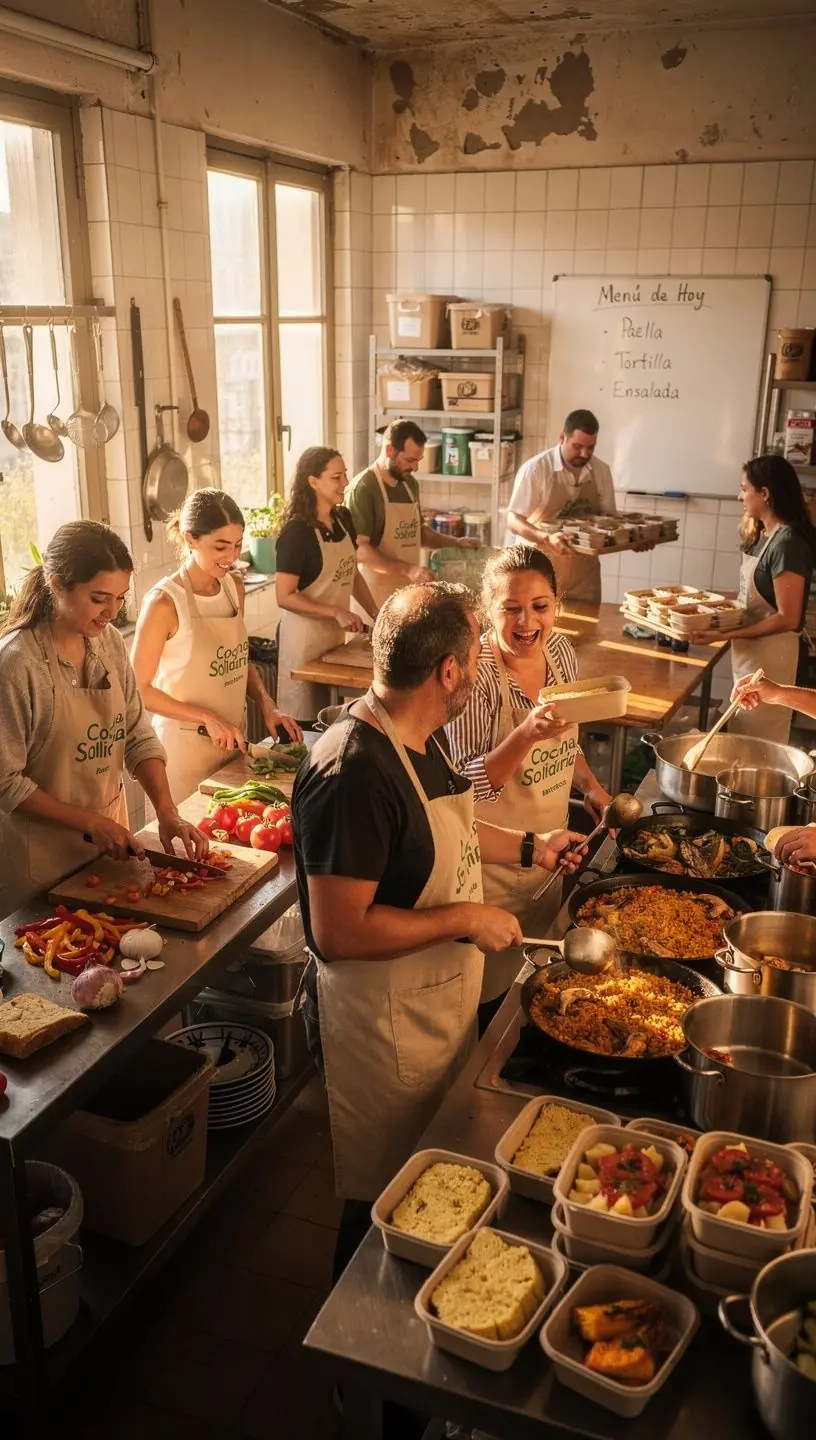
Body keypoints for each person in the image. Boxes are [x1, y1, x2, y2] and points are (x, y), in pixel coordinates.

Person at [292, 582, 585, 1266]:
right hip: (377, 1027)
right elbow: (337, 932)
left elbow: (439, 825)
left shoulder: (417, 738)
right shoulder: (353, 772)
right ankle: (351, 1356)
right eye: (475, 658)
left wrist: (527, 848)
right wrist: (466, 917)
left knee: (424, 1185)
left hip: (425, 1011)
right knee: (380, 1205)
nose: (482, 670)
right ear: (447, 672)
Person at [0, 522, 205, 920]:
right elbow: (5, 783)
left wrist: (166, 809)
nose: (112, 613)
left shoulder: (107, 642)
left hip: (105, 853)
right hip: (38, 866)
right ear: (59, 585)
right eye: (99, 599)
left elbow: (136, 734)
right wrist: (89, 822)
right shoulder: (17, 665)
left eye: (120, 599)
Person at [447, 546, 611, 1021]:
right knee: (484, 1005)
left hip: (551, 859)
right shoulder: (475, 677)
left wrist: (590, 786)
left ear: (557, 602)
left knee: (536, 993)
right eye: (511, 608)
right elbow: (466, 785)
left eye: (540, 606)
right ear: (487, 610)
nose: (527, 622)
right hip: (490, 872)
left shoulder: (560, 652)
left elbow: (567, 738)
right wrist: (524, 734)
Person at [131, 489, 301, 802]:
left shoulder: (233, 586)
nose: (232, 556)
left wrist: (266, 702)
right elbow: (139, 690)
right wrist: (206, 717)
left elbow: (238, 655)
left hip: (232, 745)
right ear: (190, 539)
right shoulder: (164, 603)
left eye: (237, 545)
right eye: (220, 546)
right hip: (182, 754)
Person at [690, 456, 816, 744]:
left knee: (761, 743)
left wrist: (724, 633)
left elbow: (789, 617)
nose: (740, 496)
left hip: (776, 659)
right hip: (753, 655)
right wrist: (710, 609)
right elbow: (755, 598)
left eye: (744, 488)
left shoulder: (788, 544)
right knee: (744, 735)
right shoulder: (766, 535)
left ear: (765, 494)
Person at [275, 446, 378, 720]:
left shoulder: (343, 519)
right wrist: (335, 611)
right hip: (303, 645)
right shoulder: (296, 533)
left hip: (333, 642)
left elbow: (352, 574)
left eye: (345, 475)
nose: (345, 483)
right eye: (336, 477)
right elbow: (284, 596)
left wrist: (377, 614)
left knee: (330, 716)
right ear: (312, 481)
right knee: (306, 723)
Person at [345, 419, 477, 611]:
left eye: (418, 460)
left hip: (407, 592)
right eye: (409, 460)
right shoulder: (364, 489)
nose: (415, 468)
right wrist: (408, 569)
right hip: (374, 597)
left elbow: (419, 533)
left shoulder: (409, 484)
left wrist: (456, 543)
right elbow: (360, 550)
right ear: (390, 450)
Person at [504, 409, 630, 603]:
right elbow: (513, 520)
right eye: (577, 446)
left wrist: (633, 539)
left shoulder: (601, 471)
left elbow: (609, 521)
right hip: (539, 570)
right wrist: (545, 538)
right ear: (562, 437)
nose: (584, 453)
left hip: (583, 574)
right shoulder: (537, 469)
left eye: (591, 447)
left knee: (588, 631)